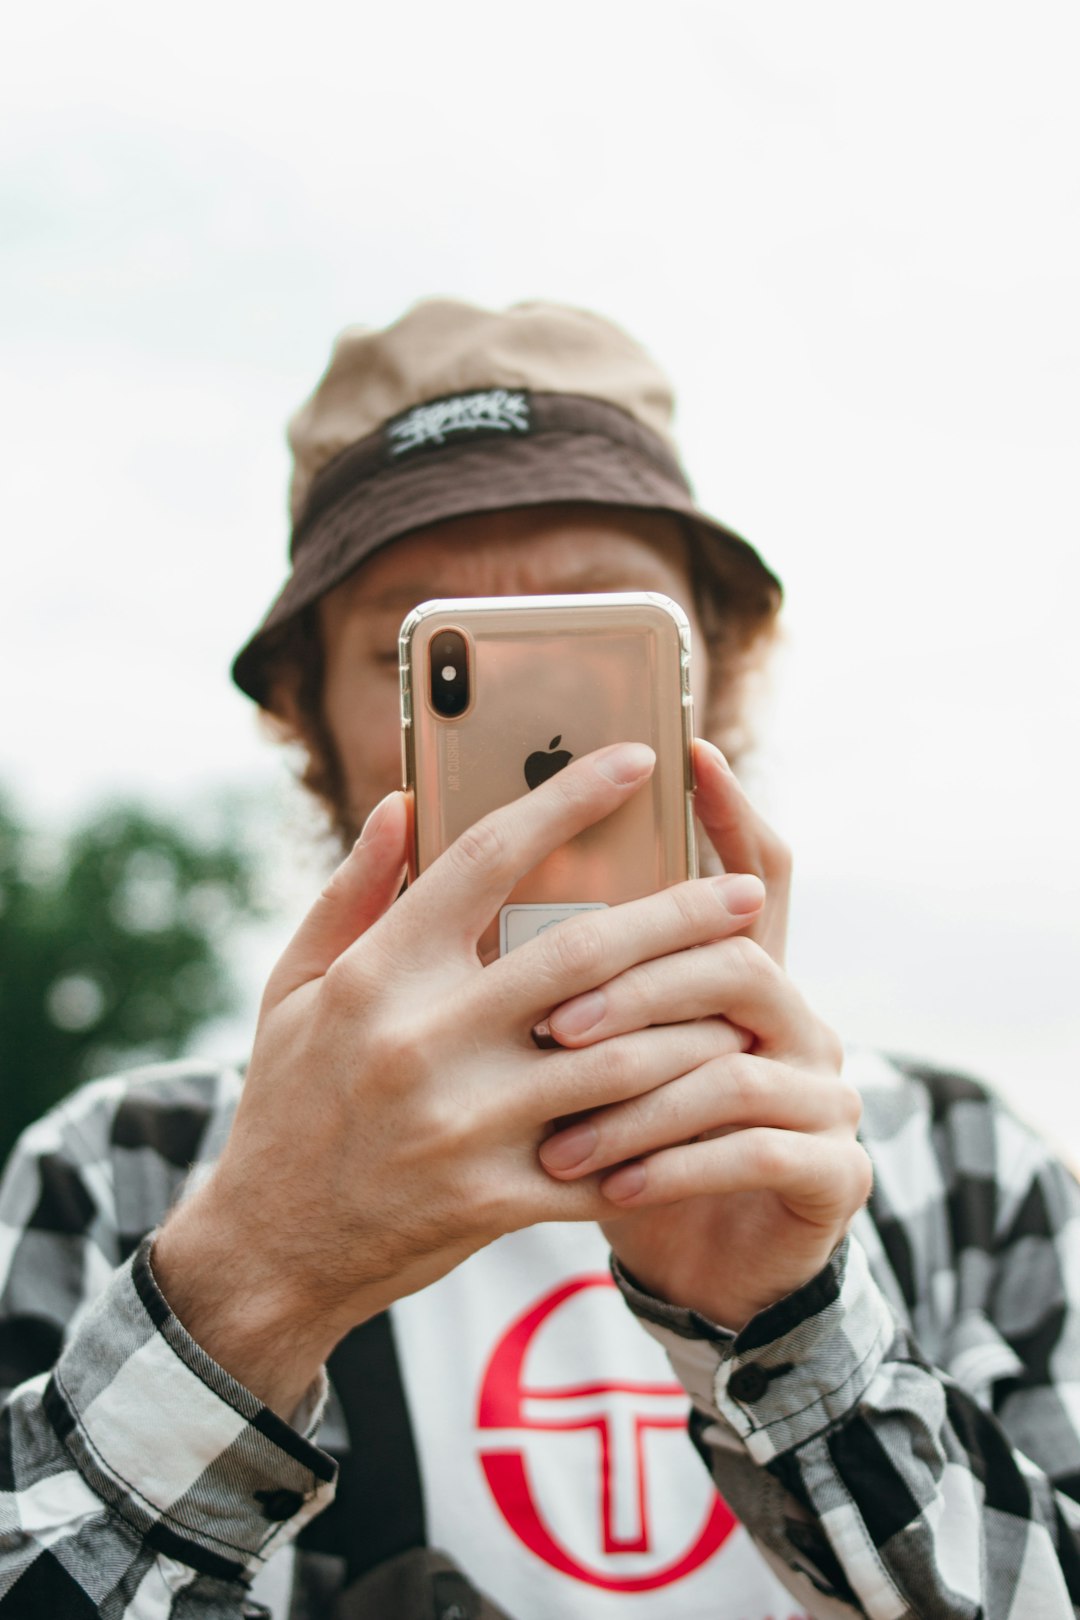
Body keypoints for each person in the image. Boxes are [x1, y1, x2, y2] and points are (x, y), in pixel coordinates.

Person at [1, 299, 1078, 1620]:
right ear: (312, 726)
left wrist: (797, 1329)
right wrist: (254, 1283)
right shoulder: (121, 1175)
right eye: (431, 649)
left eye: (586, 636)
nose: (532, 755)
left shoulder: (964, 1171)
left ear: (716, 682)